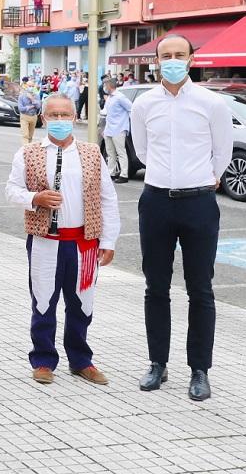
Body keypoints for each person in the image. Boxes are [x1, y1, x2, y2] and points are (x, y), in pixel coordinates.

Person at [131, 34, 233, 401]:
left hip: (199, 203)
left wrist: (200, 180)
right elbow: (142, 151)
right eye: (166, 55)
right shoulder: (143, 104)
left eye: (179, 54)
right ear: (156, 61)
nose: (172, 60)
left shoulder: (212, 103)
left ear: (191, 59)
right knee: (155, 287)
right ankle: (157, 363)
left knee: (200, 289)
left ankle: (200, 370)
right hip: (156, 201)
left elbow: (221, 153)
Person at [5, 93, 120, 385]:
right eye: (53, 115)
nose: (59, 120)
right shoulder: (28, 153)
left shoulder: (92, 152)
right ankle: (43, 360)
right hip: (45, 242)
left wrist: (108, 241)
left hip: (84, 242)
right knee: (43, 300)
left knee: (83, 302)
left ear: (74, 118)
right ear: (44, 119)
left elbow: (108, 198)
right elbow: (11, 190)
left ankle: (81, 360)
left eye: (65, 115)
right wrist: (35, 198)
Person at [102, 79, 132, 184]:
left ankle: (124, 174)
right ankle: (111, 173)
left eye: (105, 85)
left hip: (119, 128)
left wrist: (127, 123)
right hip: (109, 129)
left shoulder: (120, 97)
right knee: (110, 153)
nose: (104, 88)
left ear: (110, 86)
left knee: (121, 152)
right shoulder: (109, 98)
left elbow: (131, 108)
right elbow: (106, 112)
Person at [18, 78, 40, 145]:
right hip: (25, 116)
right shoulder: (22, 96)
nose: (31, 88)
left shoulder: (36, 96)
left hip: (33, 116)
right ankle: (25, 148)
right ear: (26, 86)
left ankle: (29, 148)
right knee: (25, 135)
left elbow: (38, 106)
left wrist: (32, 99)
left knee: (30, 136)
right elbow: (21, 108)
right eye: (29, 86)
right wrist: (30, 107)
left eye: (32, 86)